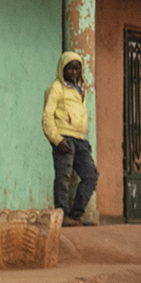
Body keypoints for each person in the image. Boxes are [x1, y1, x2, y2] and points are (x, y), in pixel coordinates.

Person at [43, 51, 97, 225]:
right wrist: (57, 140)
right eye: (70, 69)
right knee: (64, 177)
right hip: (63, 139)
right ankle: (62, 216)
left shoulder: (80, 90)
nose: (74, 73)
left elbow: (80, 116)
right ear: (62, 69)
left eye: (77, 69)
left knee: (91, 175)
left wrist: (83, 140)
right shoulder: (56, 88)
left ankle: (76, 215)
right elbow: (47, 117)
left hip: (79, 140)